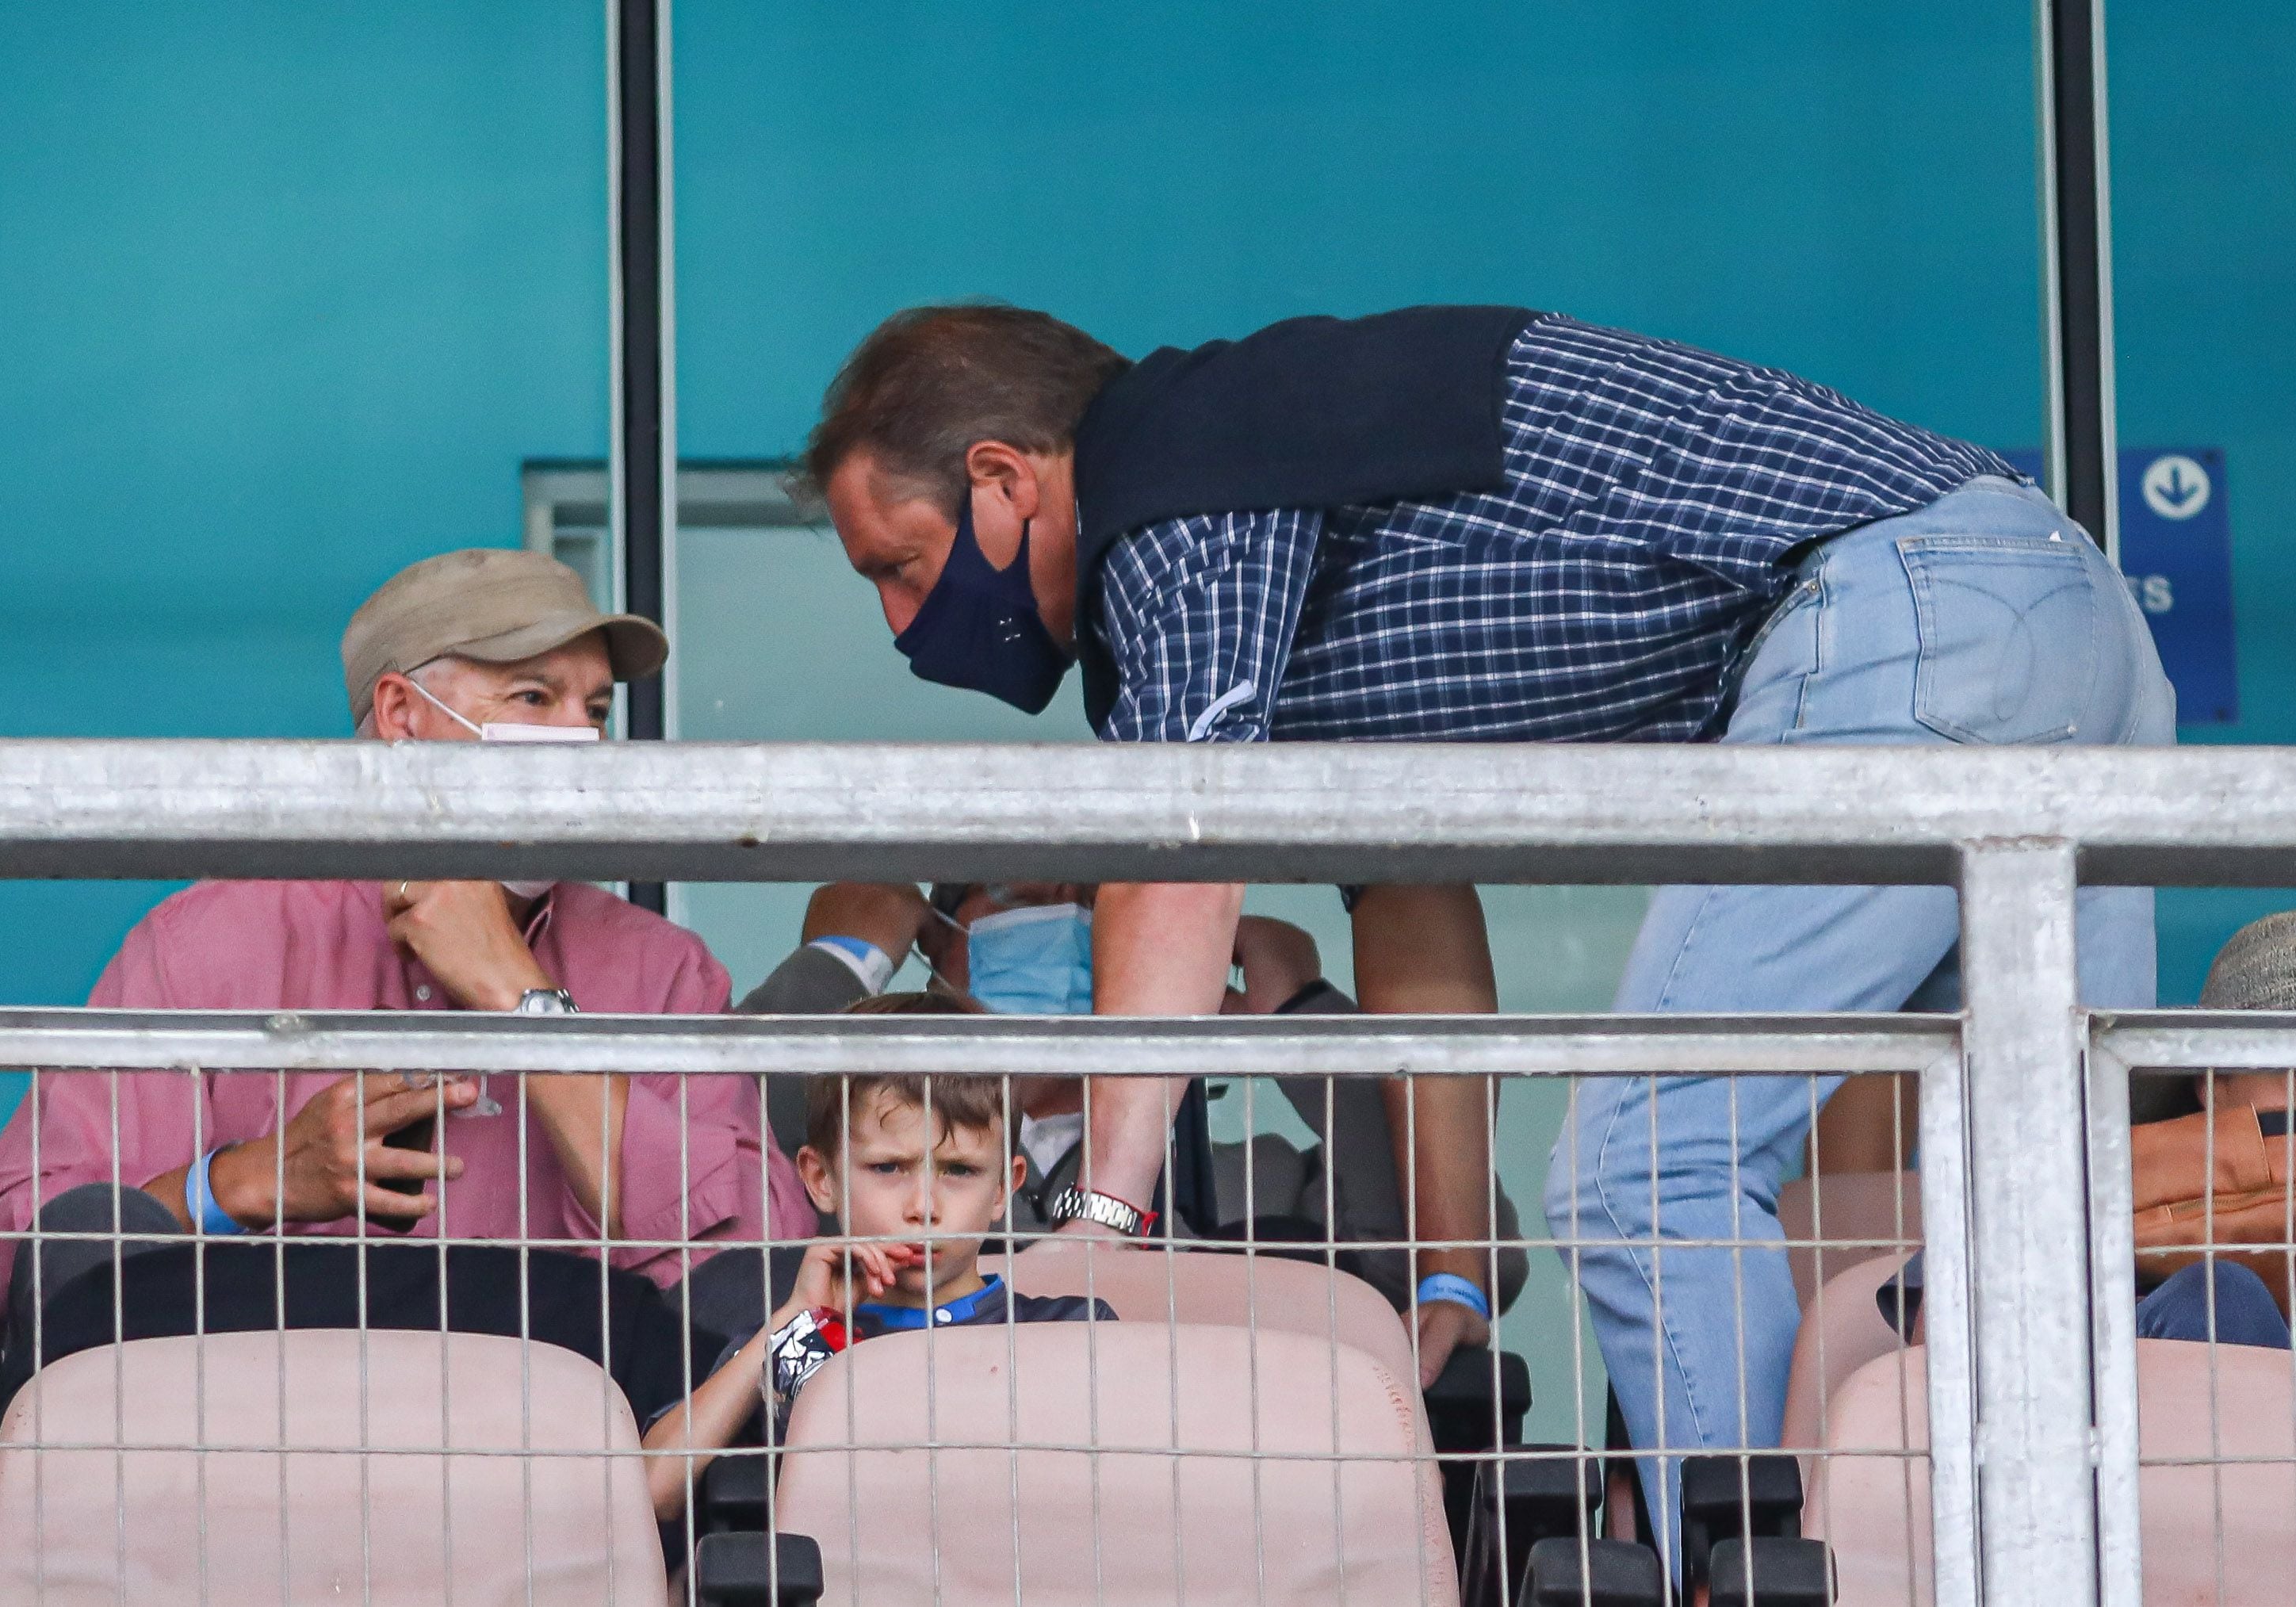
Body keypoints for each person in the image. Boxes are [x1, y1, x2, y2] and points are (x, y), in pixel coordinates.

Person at [798, 301, 2175, 1524]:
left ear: (1001, 479)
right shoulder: (1275, 518)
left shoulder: (1169, 460)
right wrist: (1452, 1273)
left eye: (897, 564)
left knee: (1647, 1172)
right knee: (2029, 1189)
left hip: (1917, 605)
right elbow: (1405, 892)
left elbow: (1180, 840)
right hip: (2061, 609)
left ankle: (1751, 1568)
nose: (898, 619)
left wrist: (1099, 1210)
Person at [0, 548, 813, 1358]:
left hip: (569, 1468)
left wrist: (524, 997)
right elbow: (8, 1266)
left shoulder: (660, 969)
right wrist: (245, 1181)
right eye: (532, 697)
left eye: (594, 710)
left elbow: (757, 1272)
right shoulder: (212, 942)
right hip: (252, 1450)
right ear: (403, 715)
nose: (579, 740)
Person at [914, 878, 1527, 1383]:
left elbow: (1472, 1257)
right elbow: (821, 1222)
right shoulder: (887, 1169)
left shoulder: (1266, 1181)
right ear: (941, 947)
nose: (1068, 921)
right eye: (1022, 900)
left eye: (1098, 906)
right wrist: (843, 961)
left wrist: (1298, 1014)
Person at [642, 993, 1114, 1520]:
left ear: (1004, 1186)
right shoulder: (799, 1346)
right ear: (822, 1179)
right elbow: (653, 1490)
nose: (923, 1207)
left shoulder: (1069, 1331)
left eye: (959, 1170)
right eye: (889, 1168)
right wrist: (793, 1321)